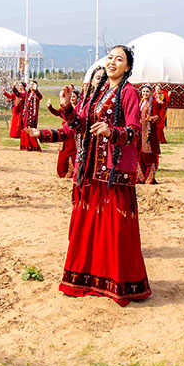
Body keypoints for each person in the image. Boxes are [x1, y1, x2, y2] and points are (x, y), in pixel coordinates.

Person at [34, 45, 149, 305]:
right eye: (110, 58)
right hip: (90, 171)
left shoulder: (129, 93)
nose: (112, 62)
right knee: (90, 227)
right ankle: (88, 279)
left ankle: (119, 282)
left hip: (114, 172)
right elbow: (79, 126)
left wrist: (112, 132)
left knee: (116, 230)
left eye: (119, 59)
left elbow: (134, 131)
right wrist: (67, 108)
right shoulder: (97, 94)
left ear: (128, 67)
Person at [48, 87, 81, 179]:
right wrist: (49, 107)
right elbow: (57, 113)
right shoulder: (66, 108)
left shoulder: (80, 108)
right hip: (65, 135)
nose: (72, 99)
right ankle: (62, 173)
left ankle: (73, 174)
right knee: (62, 155)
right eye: (71, 97)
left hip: (74, 137)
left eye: (74, 97)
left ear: (78, 98)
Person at [138, 84, 161, 184]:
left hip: (149, 132)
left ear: (150, 93)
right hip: (140, 131)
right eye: (143, 91)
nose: (145, 94)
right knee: (139, 153)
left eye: (147, 92)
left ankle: (149, 177)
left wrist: (150, 119)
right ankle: (140, 177)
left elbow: (157, 116)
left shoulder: (154, 103)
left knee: (149, 154)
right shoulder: (140, 102)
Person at [18, 81, 43, 151]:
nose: (31, 86)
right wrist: (14, 88)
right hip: (26, 115)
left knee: (31, 129)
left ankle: (34, 146)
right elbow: (20, 95)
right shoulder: (27, 94)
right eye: (30, 84)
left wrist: (36, 90)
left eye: (32, 84)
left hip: (33, 116)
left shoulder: (36, 94)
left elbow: (40, 97)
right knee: (25, 129)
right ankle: (25, 145)